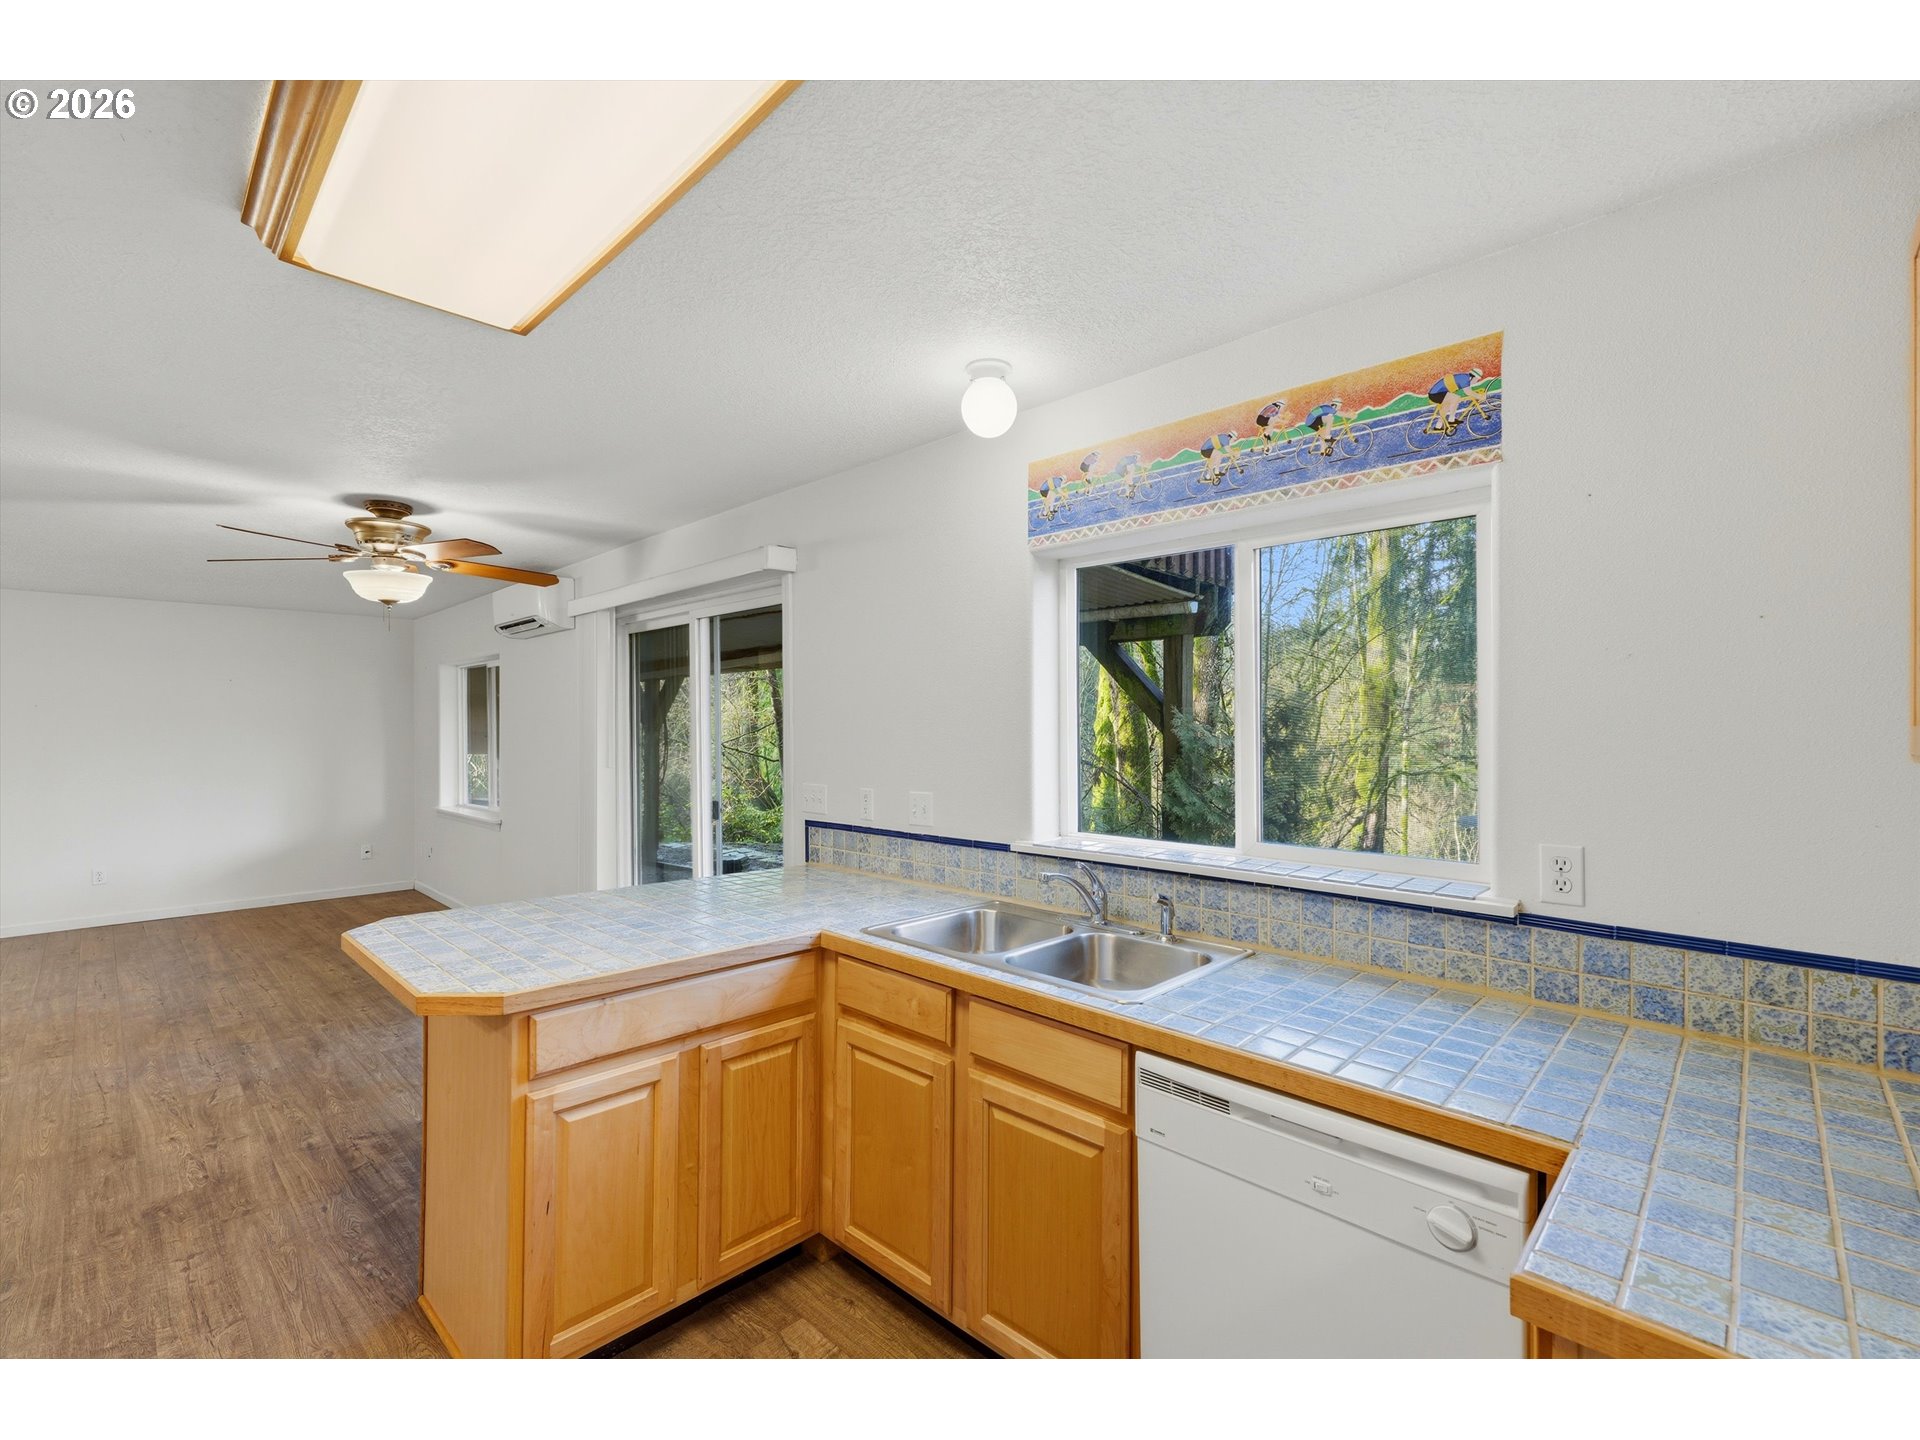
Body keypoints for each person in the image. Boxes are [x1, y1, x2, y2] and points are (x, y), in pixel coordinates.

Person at [1425, 368, 1484, 434]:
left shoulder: (1464, 377)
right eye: (1477, 379)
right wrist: (1480, 397)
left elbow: (1469, 390)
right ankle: (1451, 420)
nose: (1476, 381)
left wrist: (1476, 394)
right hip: (1436, 394)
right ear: (1474, 377)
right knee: (1455, 398)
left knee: (1445, 408)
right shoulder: (1464, 379)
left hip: (1438, 393)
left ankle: (1437, 427)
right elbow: (1468, 392)